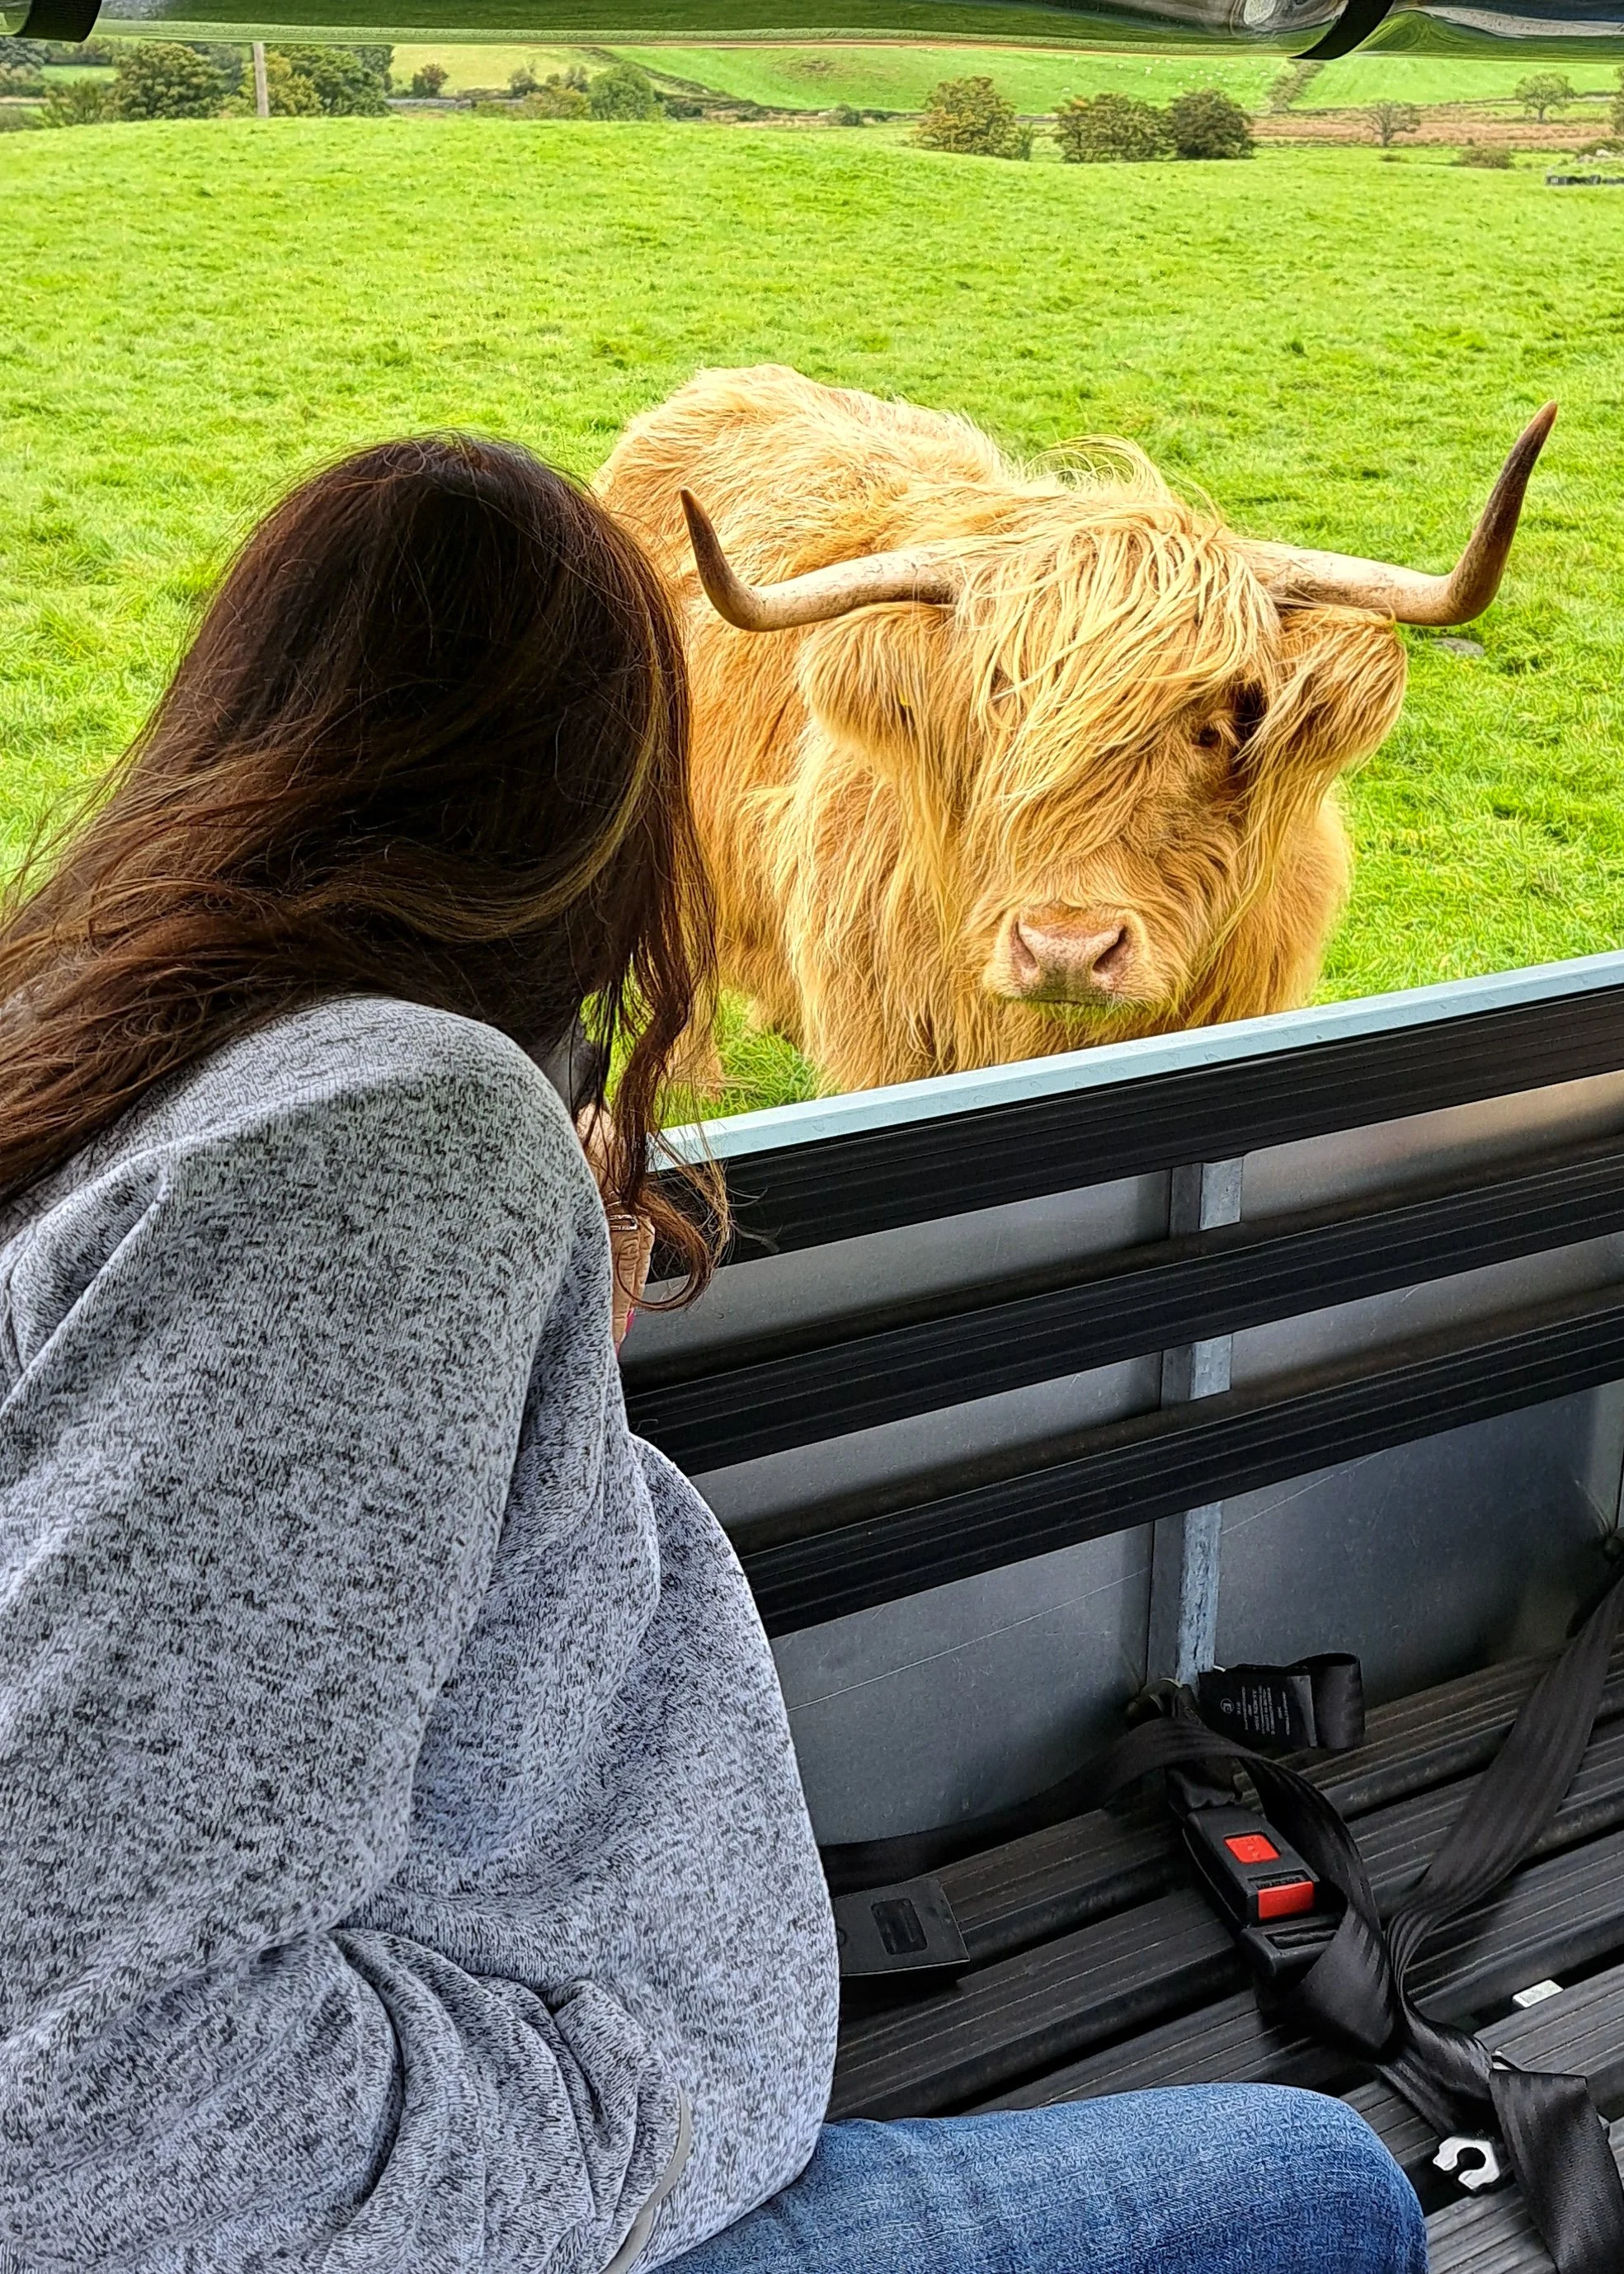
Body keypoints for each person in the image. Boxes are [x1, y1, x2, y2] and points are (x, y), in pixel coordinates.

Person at [0, 435, 1428, 2274]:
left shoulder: (123, 1036)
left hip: (532, 2022)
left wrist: (517, 1317)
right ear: (617, 793)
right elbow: (81, 2094)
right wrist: (611, 2130)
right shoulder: (382, 1155)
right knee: (1324, 2195)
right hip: (567, 2179)